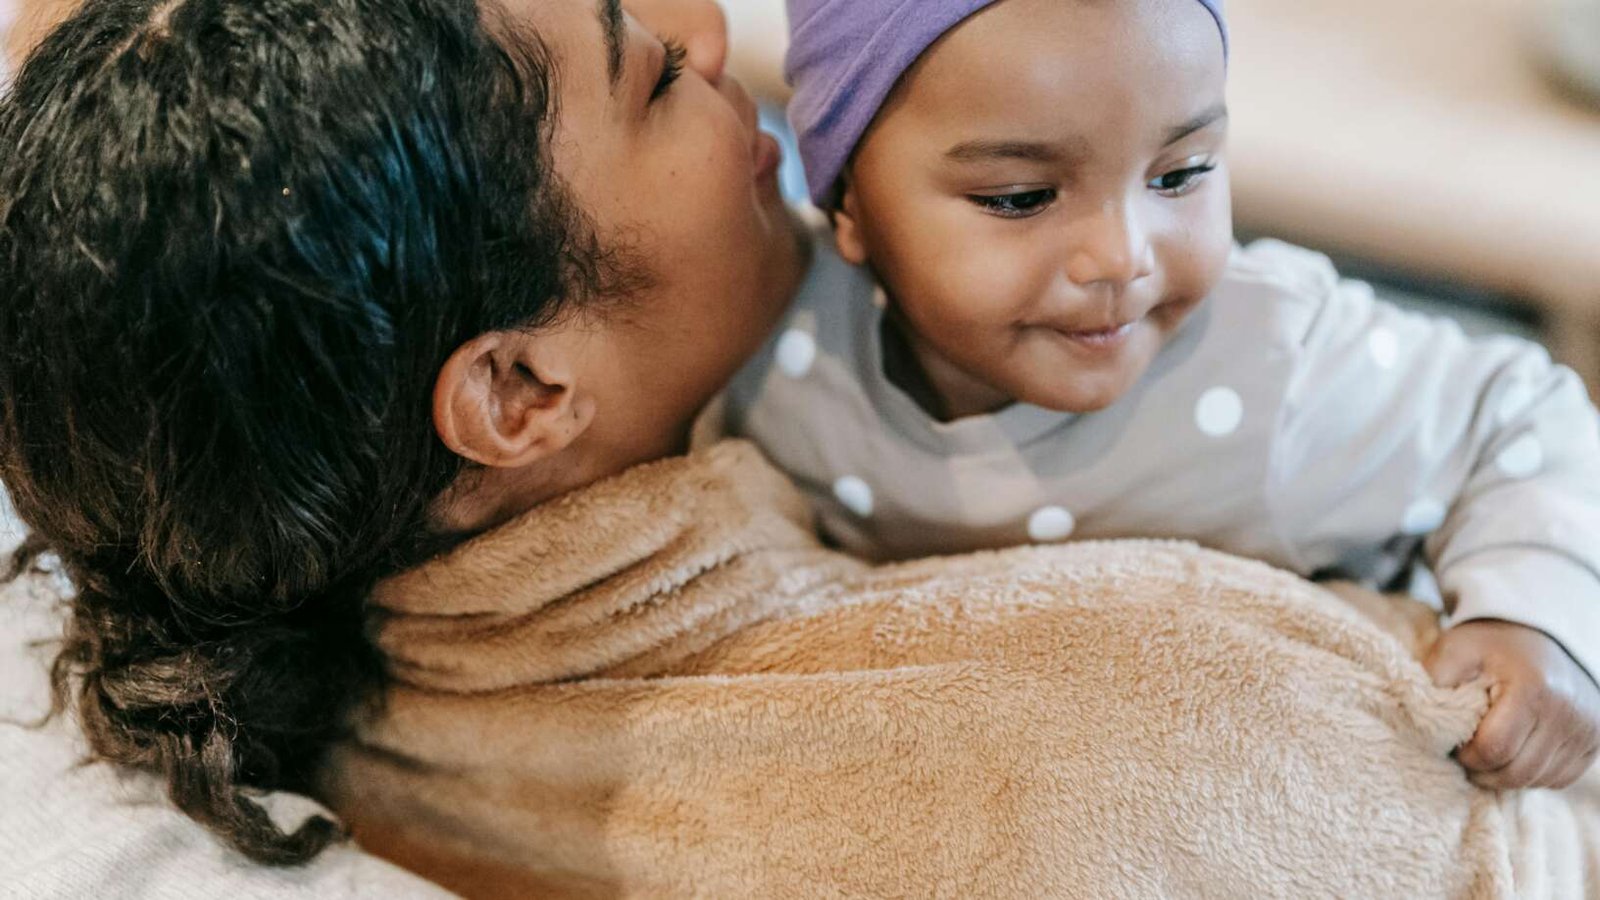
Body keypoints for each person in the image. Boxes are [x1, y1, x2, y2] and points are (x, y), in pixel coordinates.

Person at [2, 0, 1597, 896]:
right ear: (522, 395)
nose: (712, 26)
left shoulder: (264, 634)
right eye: (648, 74)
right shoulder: (1144, 734)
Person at [721, 0, 1600, 791]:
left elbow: (1526, 415)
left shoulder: (1275, 364)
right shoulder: (783, 346)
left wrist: (1540, 623)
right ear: (847, 204)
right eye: (1022, 197)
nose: (1123, 256)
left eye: (1179, 175)